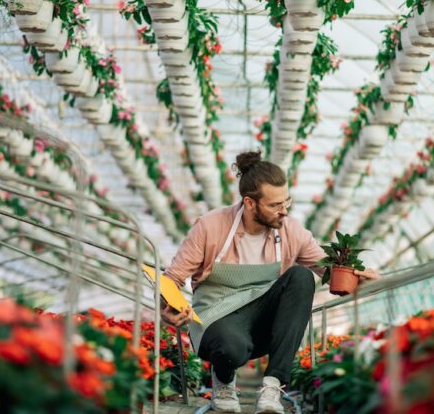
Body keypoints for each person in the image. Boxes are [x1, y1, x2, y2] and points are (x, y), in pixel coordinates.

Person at [162, 150, 379, 413]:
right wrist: (170, 308)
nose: (283, 211)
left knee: (300, 276)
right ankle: (224, 380)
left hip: (262, 318)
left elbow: (328, 270)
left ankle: (272, 386)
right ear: (250, 203)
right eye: (275, 205)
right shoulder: (211, 226)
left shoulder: (291, 231)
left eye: (286, 202)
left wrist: (359, 276)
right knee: (231, 348)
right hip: (216, 317)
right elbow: (172, 278)